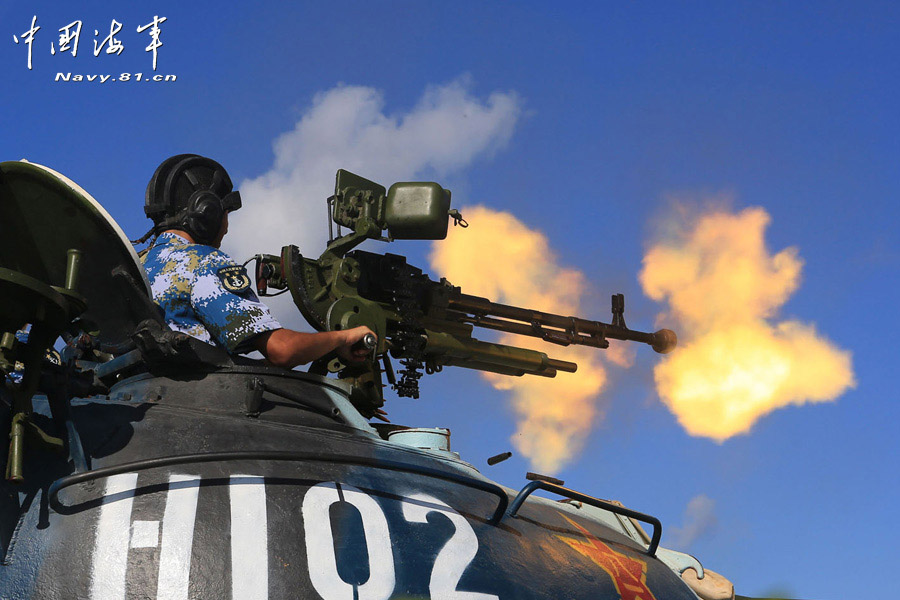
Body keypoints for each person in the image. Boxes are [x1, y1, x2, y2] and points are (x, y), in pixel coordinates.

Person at [138, 154, 374, 368]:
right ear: (206, 213)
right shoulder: (202, 262)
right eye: (226, 214)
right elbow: (282, 349)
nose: (227, 228)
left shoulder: (138, 265)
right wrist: (342, 338)